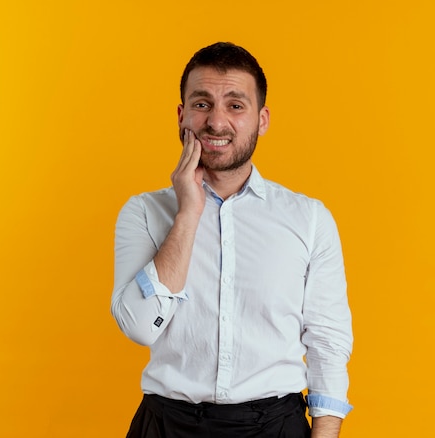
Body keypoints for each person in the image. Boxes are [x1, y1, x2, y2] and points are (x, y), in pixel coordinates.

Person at [111, 42, 353, 438]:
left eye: (235, 106)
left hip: (274, 426)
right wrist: (189, 211)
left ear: (262, 120)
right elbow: (141, 327)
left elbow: (327, 343)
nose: (216, 122)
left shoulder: (309, 220)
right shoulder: (143, 213)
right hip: (167, 426)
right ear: (181, 116)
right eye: (202, 104)